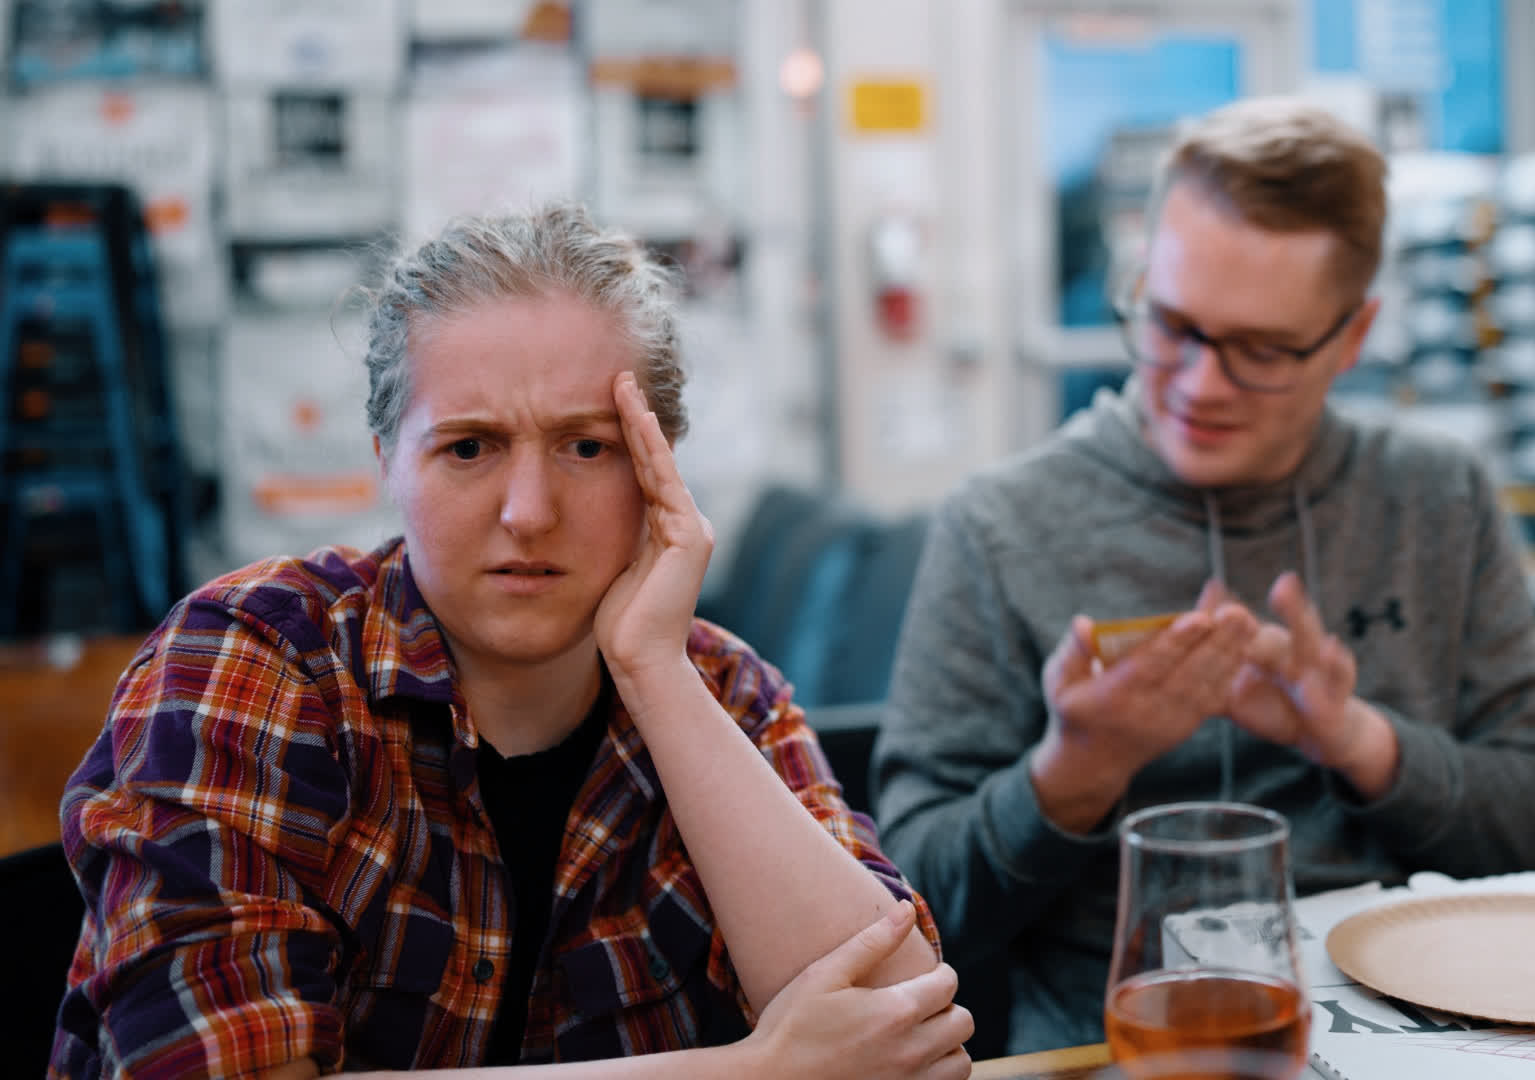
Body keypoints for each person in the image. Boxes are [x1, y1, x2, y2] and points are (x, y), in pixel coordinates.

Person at [51, 203, 972, 1078]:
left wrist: (655, 673)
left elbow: (902, 1029)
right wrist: (749, 1073)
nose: (528, 513)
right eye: (469, 448)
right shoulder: (253, 658)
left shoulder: (723, 690)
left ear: (658, 471)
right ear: (387, 462)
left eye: (587, 447)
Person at [872, 96, 1535, 1053]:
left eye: (1262, 350)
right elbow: (908, 909)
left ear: (1353, 337)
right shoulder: (999, 526)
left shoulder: (1438, 497)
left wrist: (1360, 740)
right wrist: (1073, 773)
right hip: (1118, 1046)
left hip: (1430, 1034)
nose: (1201, 385)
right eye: (1171, 325)